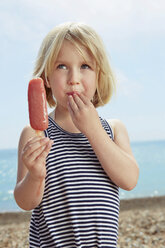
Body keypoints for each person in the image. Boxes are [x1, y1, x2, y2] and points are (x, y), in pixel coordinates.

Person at [14, 22, 139, 248]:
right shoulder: (36, 133)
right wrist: (34, 175)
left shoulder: (114, 129)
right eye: (62, 66)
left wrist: (92, 130)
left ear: (99, 76)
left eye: (85, 66)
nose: (74, 78)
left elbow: (130, 180)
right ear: (47, 79)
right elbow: (25, 201)